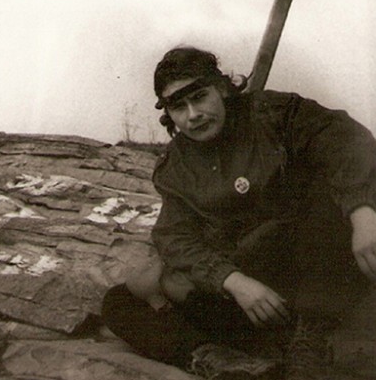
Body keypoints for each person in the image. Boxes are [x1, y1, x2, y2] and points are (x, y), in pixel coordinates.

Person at [101, 47, 376, 380]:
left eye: (200, 97)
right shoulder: (176, 167)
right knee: (119, 303)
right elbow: (174, 237)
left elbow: (345, 141)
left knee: (325, 195)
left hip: (314, 264)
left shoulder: (275, 114)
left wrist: (363, 212)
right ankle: (219, 360)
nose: (193, 115)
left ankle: (310, 342)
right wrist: (232, 281)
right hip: (252, 284)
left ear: (221, 88)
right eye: (179, 107)